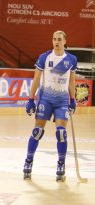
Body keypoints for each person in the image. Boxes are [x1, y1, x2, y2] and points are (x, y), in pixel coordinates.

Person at [23, 30, 77, 182]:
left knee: (61, 133)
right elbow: (36, 79)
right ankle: (28, 161)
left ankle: (61, 165)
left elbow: (72, 81)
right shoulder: (45, 57)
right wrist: (31, 99)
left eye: (59, 39)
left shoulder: (71, 59)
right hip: (45, 99)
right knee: (37, 131)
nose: (56, 42)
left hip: (61, 101)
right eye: (54, 39)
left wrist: (72, 100)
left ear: (65, 41)